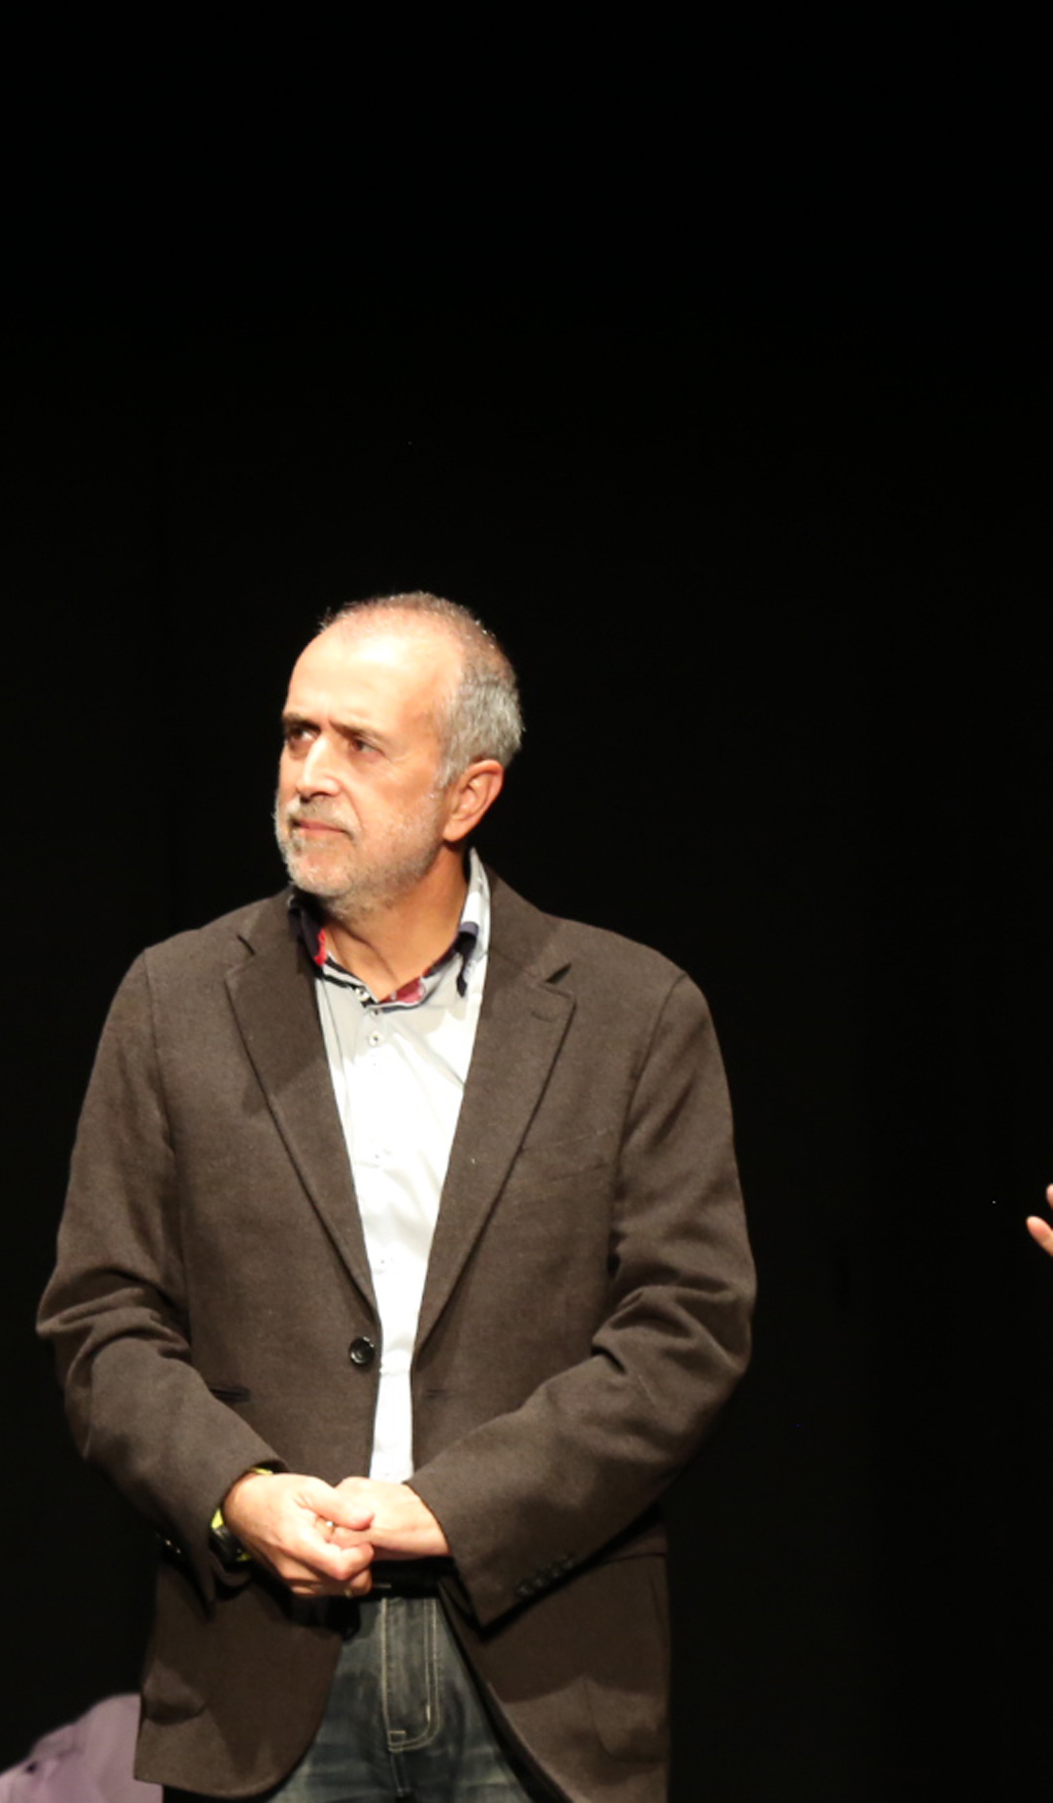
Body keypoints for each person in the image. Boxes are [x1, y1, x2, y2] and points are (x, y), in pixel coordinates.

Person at [37, 595, 752, 1803]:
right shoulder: (175, 1000)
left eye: (359, 744)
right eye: (296, 735)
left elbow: (687, 1331)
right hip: (259, 1671)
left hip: (544, 1675)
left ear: (468, 796)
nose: (309, 775)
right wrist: (238, 1495)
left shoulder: (634, 1014)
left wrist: (450, 1509)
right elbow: (102, 1321)